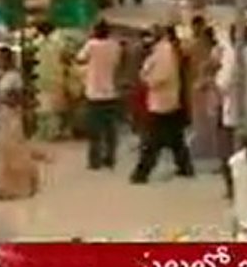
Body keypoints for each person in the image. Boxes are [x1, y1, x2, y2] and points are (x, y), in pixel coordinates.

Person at [130, 25, 195, 184]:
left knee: (152, 141)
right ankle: (185, 167)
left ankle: (141, 173)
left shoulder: (164, 52)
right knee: (175, 139)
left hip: (162, 102)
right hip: (167, 101)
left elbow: (161, 76)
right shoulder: (163, 50)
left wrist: (147, 80)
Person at [215, 24, 247, 198]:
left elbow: (223, 83)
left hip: (232, 113)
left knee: (229, 153)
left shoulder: (231, 57)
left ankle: (233, 188)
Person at [0, 46, 40, 201]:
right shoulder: (5, 76)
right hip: (4, 116)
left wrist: (2, 99)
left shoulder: (14, 77)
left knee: (15, 153)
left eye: (0, 58)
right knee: (5, 154)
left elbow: (17, 98)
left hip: (11, 116)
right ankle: (6, 187)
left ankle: (20, 187)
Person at [76, 18, 123, 169]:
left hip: (94, 94)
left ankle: (94, 161)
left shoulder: (91, 45)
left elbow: (80, 58)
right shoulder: (115, 46)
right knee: (111, 130)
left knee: (95, 130)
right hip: (111, 92)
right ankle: (110, 157)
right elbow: (117, 64)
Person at [186, 16, 220, 164]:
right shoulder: (196, 46)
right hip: (200, 86)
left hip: (202, 86)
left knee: (204, 119)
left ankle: (205, 147)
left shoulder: (198, 47)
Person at [35, 21, 68, 141]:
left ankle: (44, 132)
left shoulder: (37, 43)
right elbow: (65, 57)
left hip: (42, 78)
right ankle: (53, 133)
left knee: (43, 107)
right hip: (55, 77)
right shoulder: (59, 43)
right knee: (54, 108)